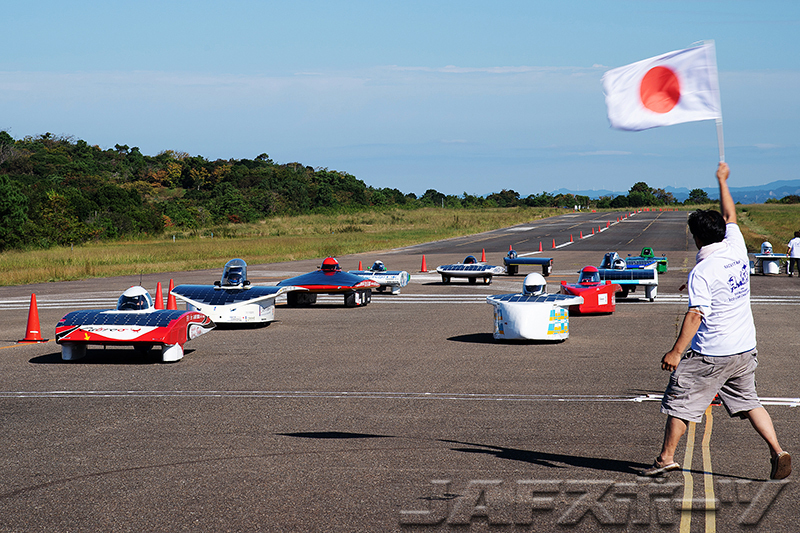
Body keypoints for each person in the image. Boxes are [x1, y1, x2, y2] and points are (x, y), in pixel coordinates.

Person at [643, 162, 791, 480]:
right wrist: (723, 180)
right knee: (750, 402)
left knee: (680, 400)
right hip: (744, 347)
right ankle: (778, 451)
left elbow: (696, 314)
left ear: (697, 237)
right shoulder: (736, 247)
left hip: (713, 352)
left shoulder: (703, 271)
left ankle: (666, 458)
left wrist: (676, 352)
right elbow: (730, 214)